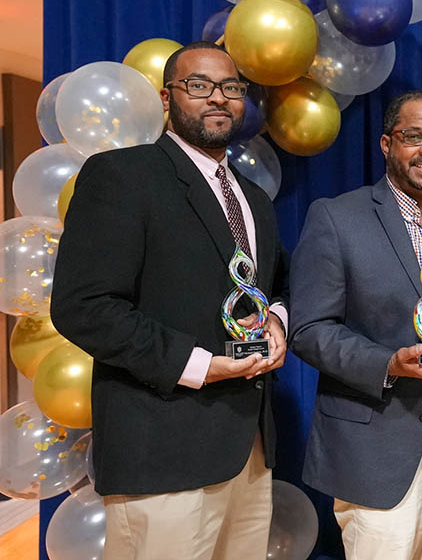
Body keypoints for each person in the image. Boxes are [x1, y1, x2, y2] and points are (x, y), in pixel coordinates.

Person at [50, 41, 289, 560]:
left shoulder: (253, 198)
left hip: (249, 449)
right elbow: (83, 305)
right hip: (163, 448)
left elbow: (277, 284)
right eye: (199, 86)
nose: (218, 99)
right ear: (167, 97)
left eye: (230, 88)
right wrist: (200, 364)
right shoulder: (124, 176)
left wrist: (277, 319)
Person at [289, 90, 422, 560]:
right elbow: (308, 329)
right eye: (414, 136)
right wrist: (390, 363)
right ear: (387, 144)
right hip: (377, 450)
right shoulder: (338, 217)